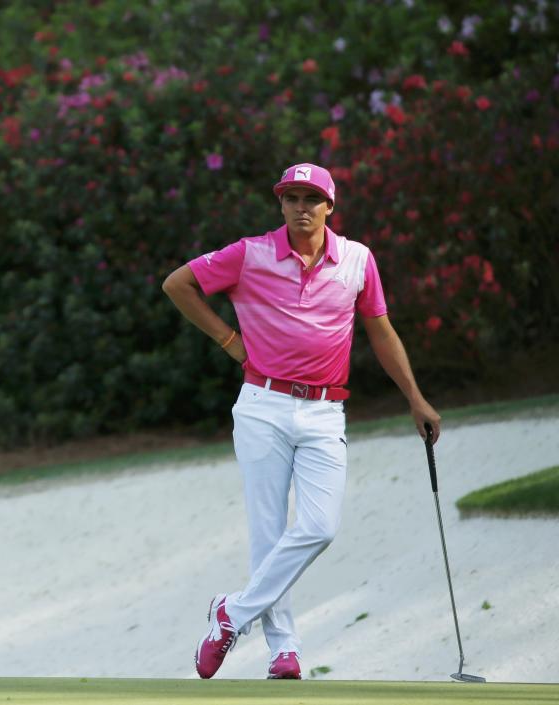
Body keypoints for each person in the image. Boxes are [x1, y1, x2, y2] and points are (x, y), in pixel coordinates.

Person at [161, 162, 441, 680]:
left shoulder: (357, 260)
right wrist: (229, 342)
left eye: (311, 198)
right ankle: (283, 650)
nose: (301, 207)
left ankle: (231, 614)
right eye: (291, 197)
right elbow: (178, 284)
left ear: (330, 206)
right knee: (268, 534)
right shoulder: (250, 254)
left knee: (319, 526)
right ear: (281, 204)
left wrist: (415, 399)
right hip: (263, 406)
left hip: (324, 410)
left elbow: (380, 332)